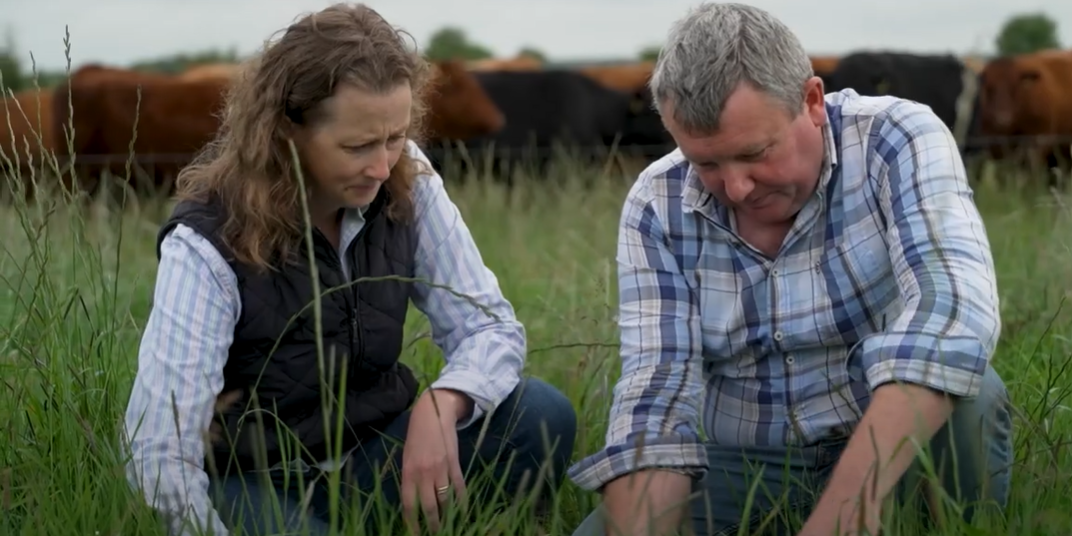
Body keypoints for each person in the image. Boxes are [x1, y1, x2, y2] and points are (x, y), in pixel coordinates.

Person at [120, 4, 577, 536]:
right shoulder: (206, 241)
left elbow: (489, 326)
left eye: (394, 138)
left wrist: (444, 402)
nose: (383, 167)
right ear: (285, 130)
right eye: (357, 146)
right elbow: (160, 448)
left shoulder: (411, 181)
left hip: (374, 462)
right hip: (256, 482)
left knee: (541, 414)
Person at [567, 3, 1012, 536]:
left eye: (756, 153)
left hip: (887, 440)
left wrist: (842, 513)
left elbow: (952, 317)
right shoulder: (657, 201)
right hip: (746, 461)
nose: (736, 188)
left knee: (972, 392)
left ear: (812, 101)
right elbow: (657, 390)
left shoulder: (895, 137)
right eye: (706, 163)